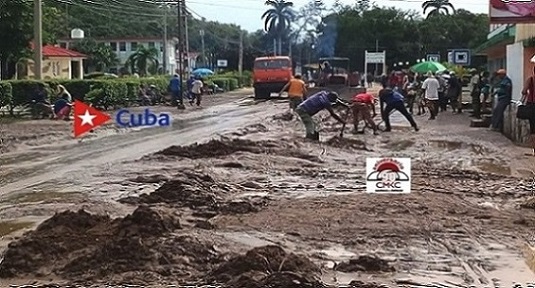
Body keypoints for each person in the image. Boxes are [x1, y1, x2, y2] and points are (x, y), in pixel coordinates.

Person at [521, 66, 535, 156]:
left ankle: (534, 149)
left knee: (533, 130)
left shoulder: (531, 79)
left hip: (532, 105)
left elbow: (524, 91)